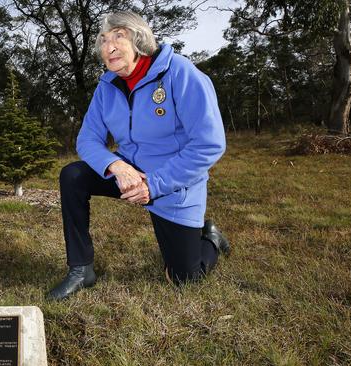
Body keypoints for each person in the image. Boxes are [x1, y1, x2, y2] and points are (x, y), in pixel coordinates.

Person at [47, 11, 230, 301]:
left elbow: (209, 144)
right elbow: (87, 138)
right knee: (73, 175)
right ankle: (81, 269)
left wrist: (153, 185)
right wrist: (116, 165)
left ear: (140, 38)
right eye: (103, 40)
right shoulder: (106, 86)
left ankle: (211, 239)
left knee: (184, 278)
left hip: (173, 181)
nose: (109, 47)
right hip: (129, 172)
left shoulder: (181, 73)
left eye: (119, 36)